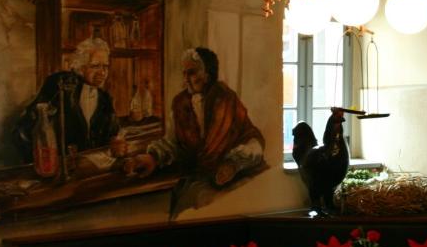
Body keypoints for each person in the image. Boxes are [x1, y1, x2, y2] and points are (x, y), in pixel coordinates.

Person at [126, 47, 264, 186]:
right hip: (196, 178)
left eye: (191, 73)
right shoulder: (180, 103)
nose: (186, 79)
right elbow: (172, 143)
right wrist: (153, 157)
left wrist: (233, 164)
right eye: (184, 73)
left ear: (208, 75)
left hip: (232, 180)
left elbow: (254, 141)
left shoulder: (228, 100)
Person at [14, 37, 120, 160]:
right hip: (59, 166)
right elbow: (22, 131)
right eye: (95, 66)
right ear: (80, 66)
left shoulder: (105, 98)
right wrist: (41, 160)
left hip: (90, 166)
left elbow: (113, 134)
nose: (102, 72)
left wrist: (116, 143)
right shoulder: (59, 85)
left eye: (106, 66)